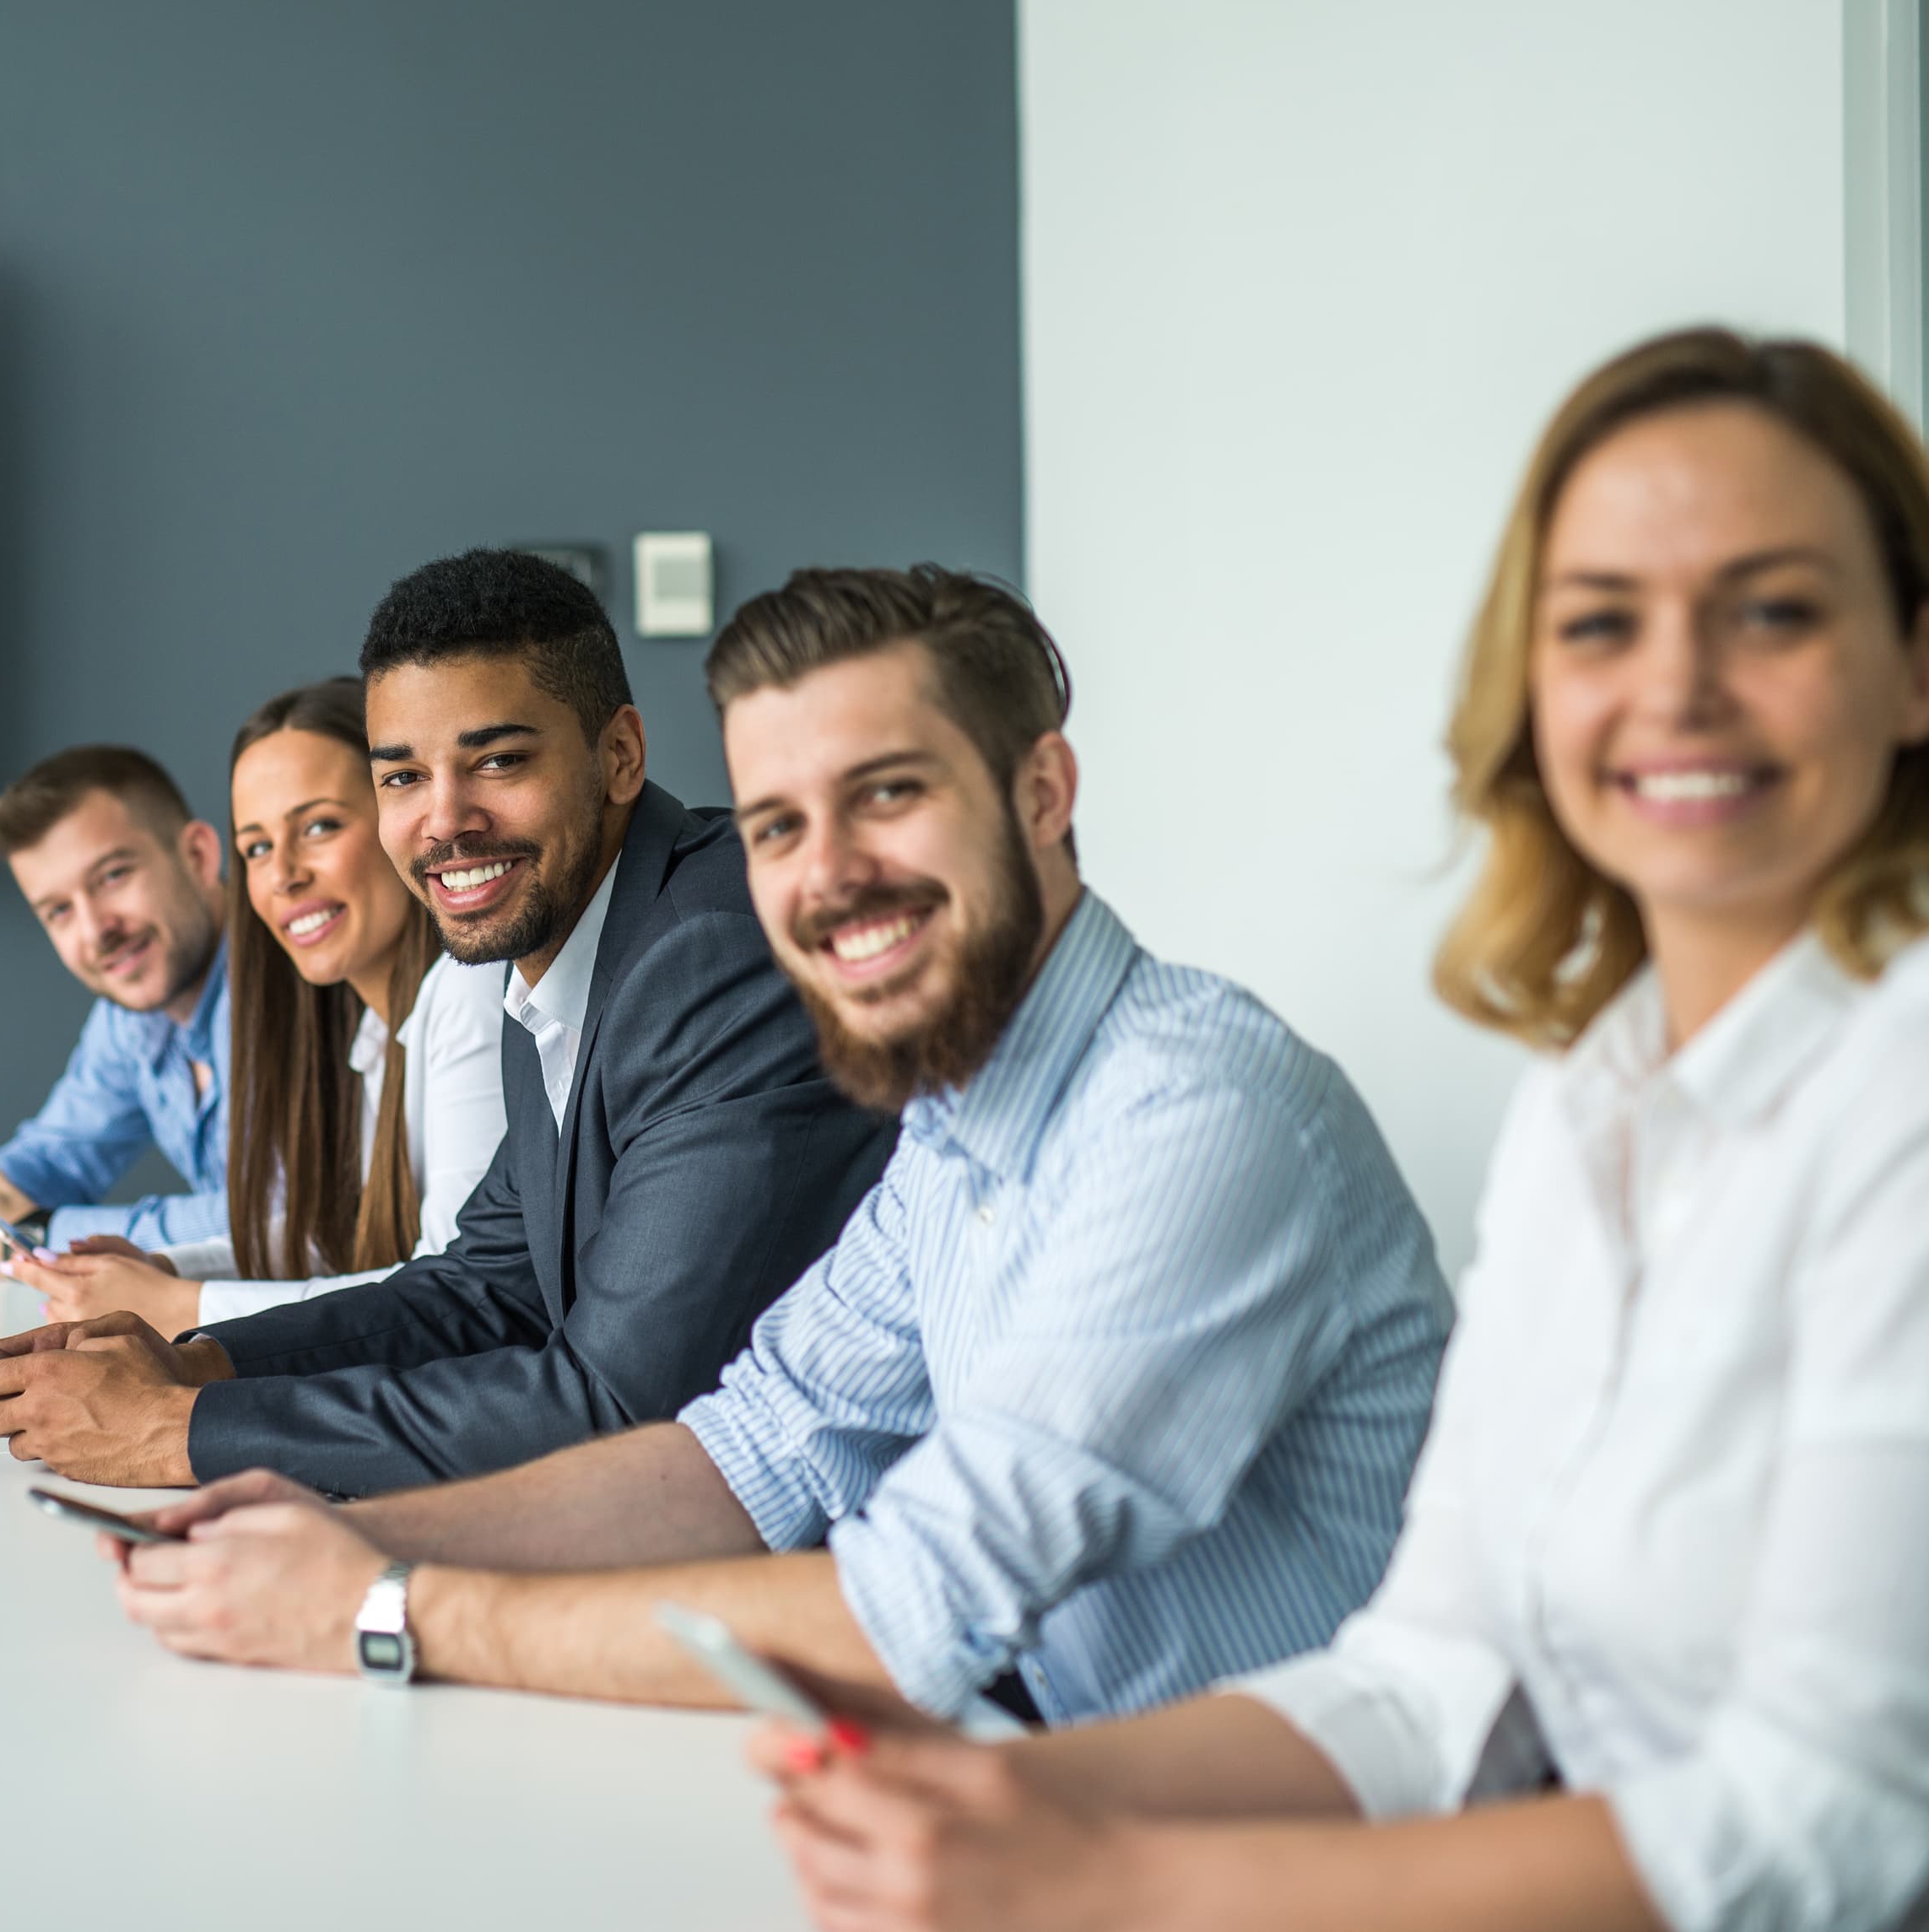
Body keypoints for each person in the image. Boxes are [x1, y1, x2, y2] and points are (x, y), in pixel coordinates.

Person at [743, 331, 1929, 1932]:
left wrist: (1123, 1881)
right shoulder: (1592, 1096)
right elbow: (1428, 1675)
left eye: (1774, 612)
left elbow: (1836, 1812)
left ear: (1922, 671)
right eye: (1601, 622)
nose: (1676, 684)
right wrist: (1024, 1792)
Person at [99, 565, 1455, 1728]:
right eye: (778, 824)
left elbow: (917, 1599)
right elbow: (747, 1452)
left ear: (1043, 790)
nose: (825, 873)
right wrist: (335, 1529)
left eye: (888, 793)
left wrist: (388, 1605)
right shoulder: (955, 1123)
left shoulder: (1192, 1112)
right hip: (1033, 1782)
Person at [0, 548, 896, 1491]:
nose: (445, 822)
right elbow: (483, 1289)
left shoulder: (707, 954)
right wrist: (196, 1364)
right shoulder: (556, 954)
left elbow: (621, 1404)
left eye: (498, 761)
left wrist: (178, 1429)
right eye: (403, 778)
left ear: (619, 756)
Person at [10, 679, 511, 1337]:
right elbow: (346, 1236)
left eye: (320, 826)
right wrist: (166, 1269)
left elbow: (454, 1296)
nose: (284, 875)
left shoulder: (469, 990)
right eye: (258, 847)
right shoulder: (374, 1031)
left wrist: (180, 1304)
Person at [0, 745, 236, 1276]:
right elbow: (63, 1150)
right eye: (60, 910)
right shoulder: (133, 1011)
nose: (96, 932)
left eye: (113, 876)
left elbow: (284, 1221)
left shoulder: (298, 980)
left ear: (198, 856)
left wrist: (33, 1234)